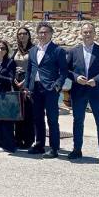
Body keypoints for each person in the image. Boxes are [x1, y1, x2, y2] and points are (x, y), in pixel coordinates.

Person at [67, 22, 99, 165]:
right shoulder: (73, 51)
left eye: (90, 32)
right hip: (79, 91)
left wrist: (97, 80)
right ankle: (77, 149)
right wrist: (76, 78)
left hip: (98, 92)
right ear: (81, 34)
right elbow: (66, 71)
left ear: (94, 33)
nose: (87, 34)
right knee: (78, 122)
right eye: (85, 32)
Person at [25, 22, 68, 158]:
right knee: (37, 118)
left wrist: (57, 86)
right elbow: (29, 70)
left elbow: (64, 71)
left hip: (50, 89)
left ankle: (54, 148)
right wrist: (27, 87)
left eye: (46, 32)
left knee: (52, 119)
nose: (43, 35)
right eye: (40, 32)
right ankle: (39, 145)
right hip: (35, 89)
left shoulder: (58, 51)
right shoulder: (32, 51)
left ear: (51, 34)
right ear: (37, 34)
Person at [12, 26, 35, 148]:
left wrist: (25, 83)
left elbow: (35, 68)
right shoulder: (16, 50)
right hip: (17, 83)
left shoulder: (33, 50)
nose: (22, 36)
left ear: (29, 35)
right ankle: (18, 138)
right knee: (18, 112)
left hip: (28, 83)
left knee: (29, 113)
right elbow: (11, 65)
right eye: (20, 34)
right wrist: (13, 77)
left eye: (25, 33)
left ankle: (29, 139)